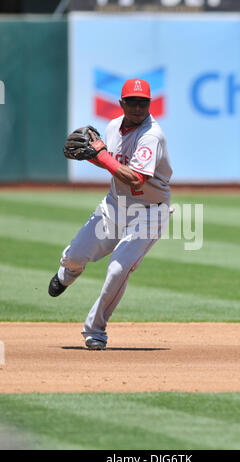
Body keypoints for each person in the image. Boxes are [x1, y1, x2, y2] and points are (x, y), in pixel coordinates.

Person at [48, 78, 173, 350]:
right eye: (132, 102)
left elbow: (136, 179)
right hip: (114, 206)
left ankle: (95, 330)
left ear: (150, 104)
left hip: (150, 214)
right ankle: (67, 274)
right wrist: (91, 155)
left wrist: (101, 155)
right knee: (75, 256)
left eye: (143, 102)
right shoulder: (112, 127)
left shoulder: (152, 135)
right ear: (122, 103)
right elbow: (110, 162)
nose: (138, 107)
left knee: (118, 269)